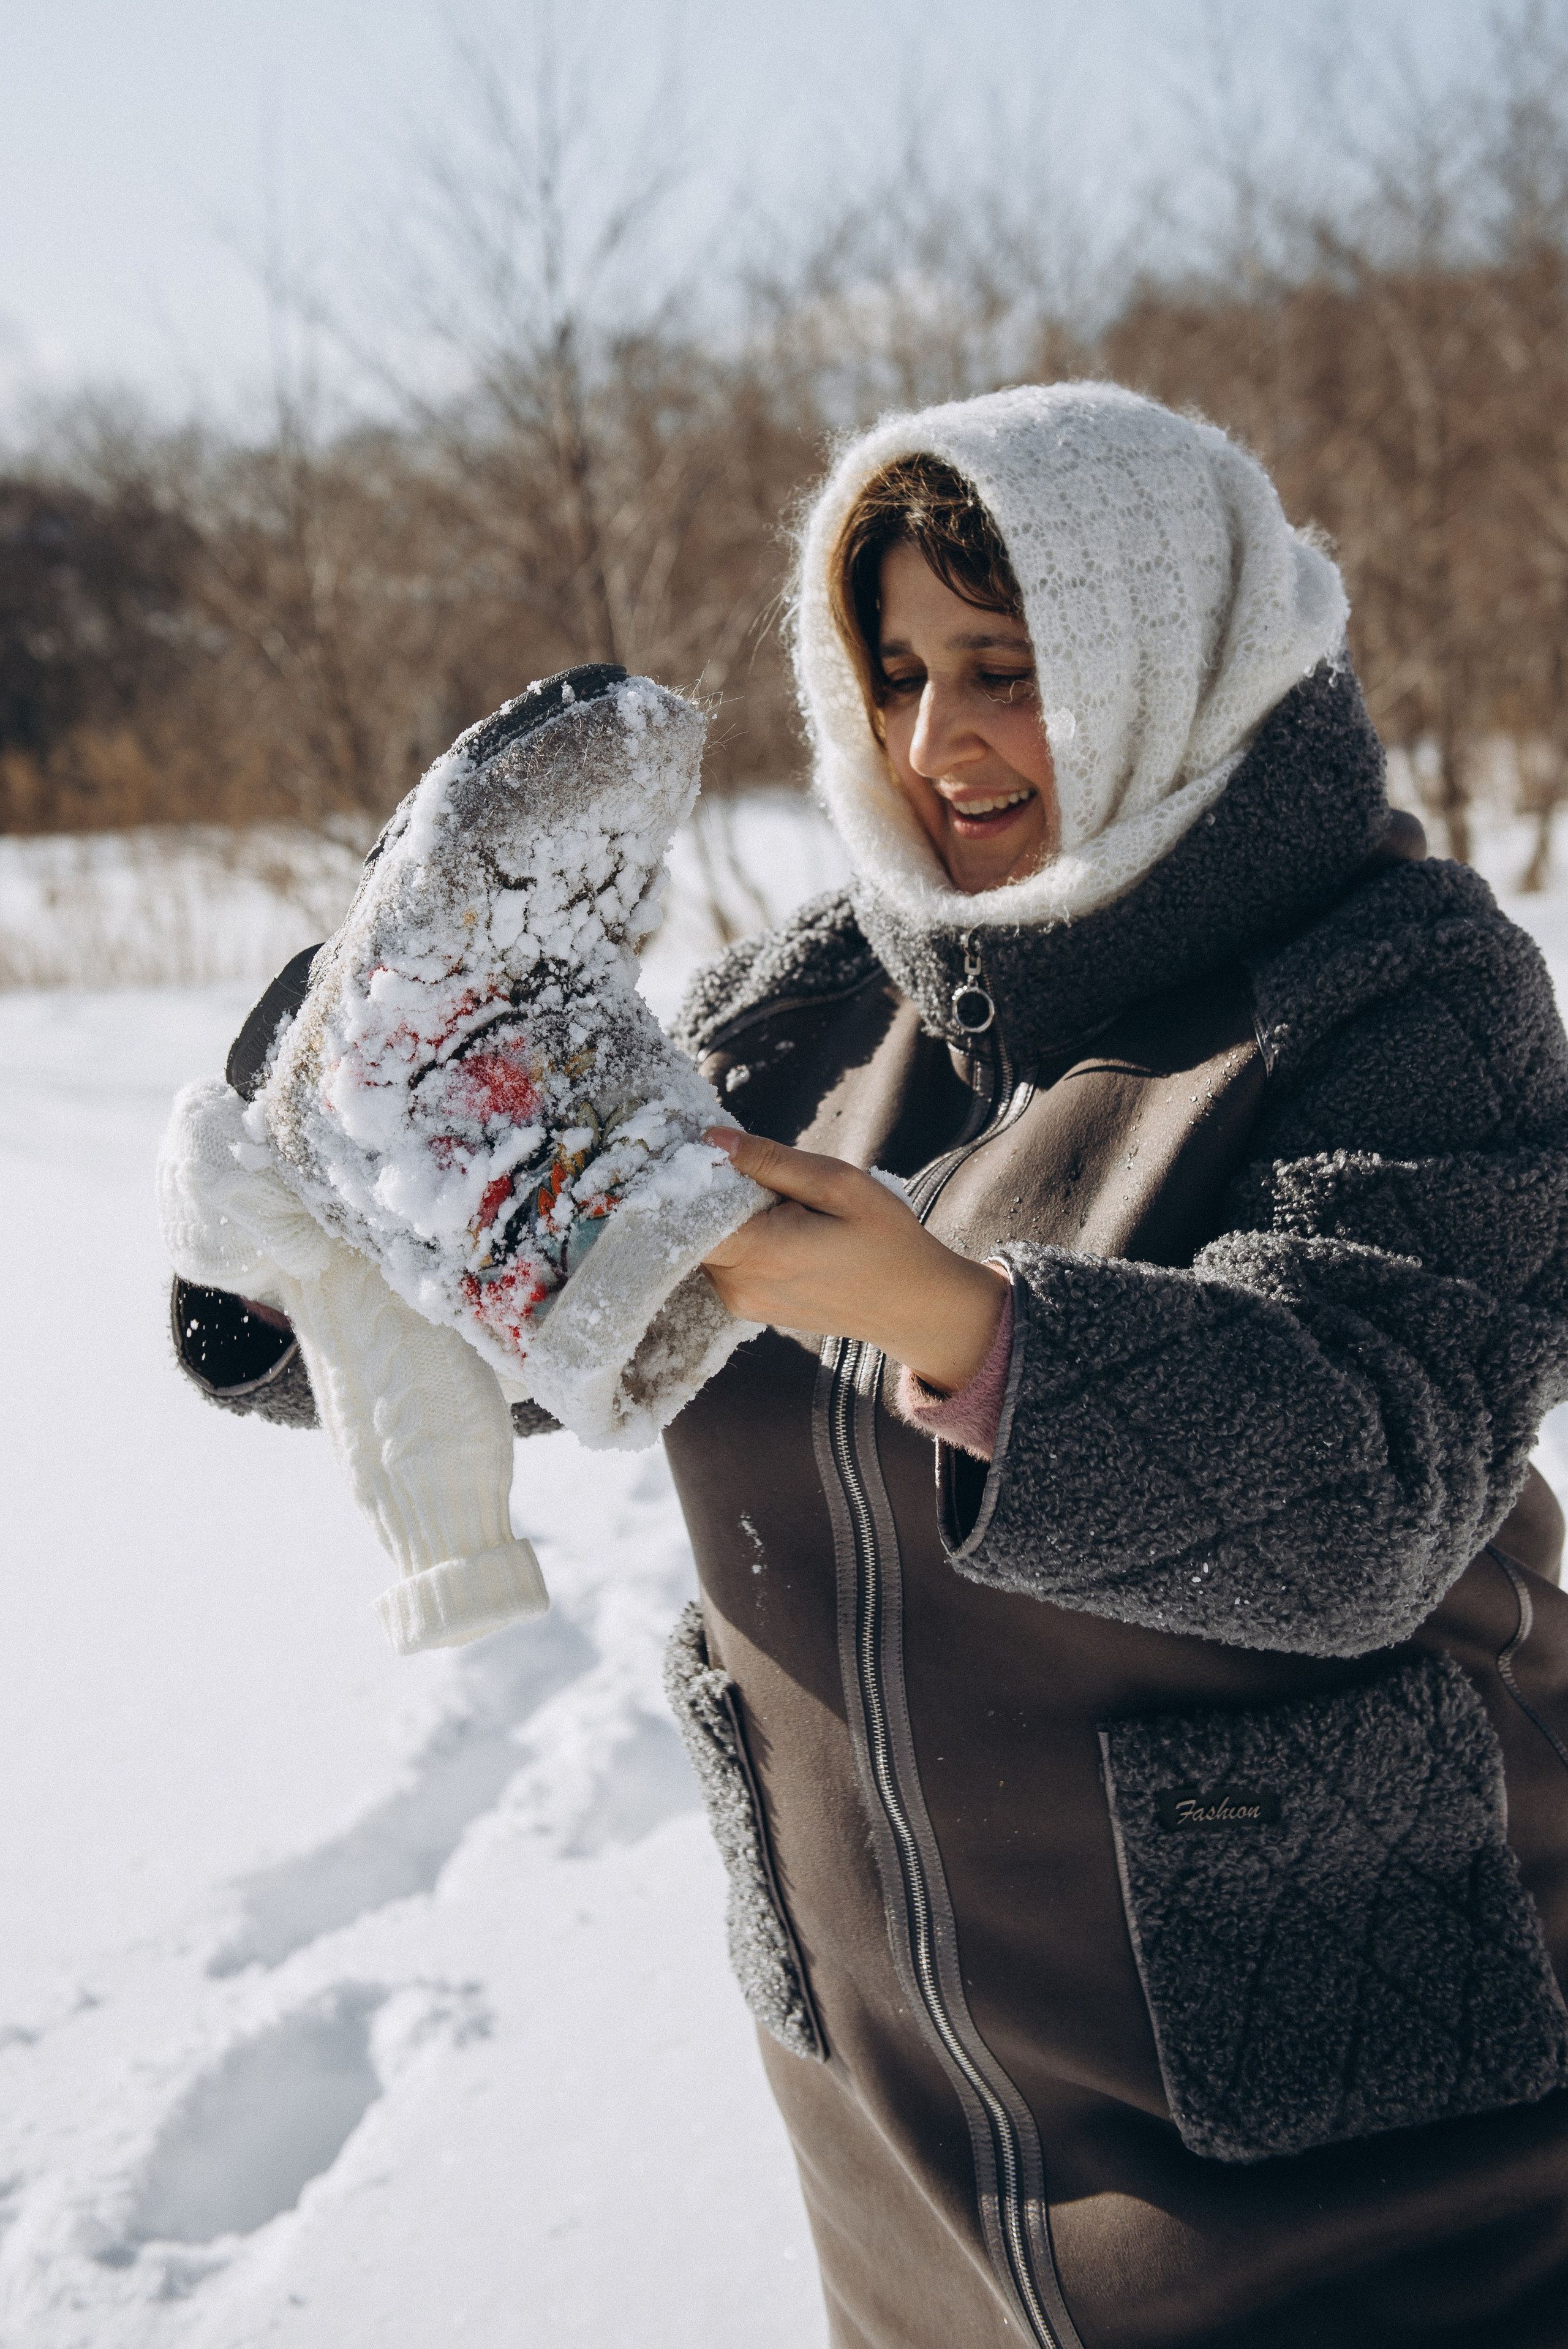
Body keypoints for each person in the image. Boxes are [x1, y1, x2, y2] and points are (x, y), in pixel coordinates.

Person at [175, 383, 1568, 2348]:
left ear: (1166, 649)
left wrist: (961, 1322)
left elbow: (1374, 1492)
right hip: (905, 2182)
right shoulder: (812, 1007)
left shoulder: (1403, 993)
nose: (936, 743)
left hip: (1365, 2183)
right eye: (897, 672)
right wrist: (314, 1228)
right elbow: (563, 1312)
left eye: (1007, 667)